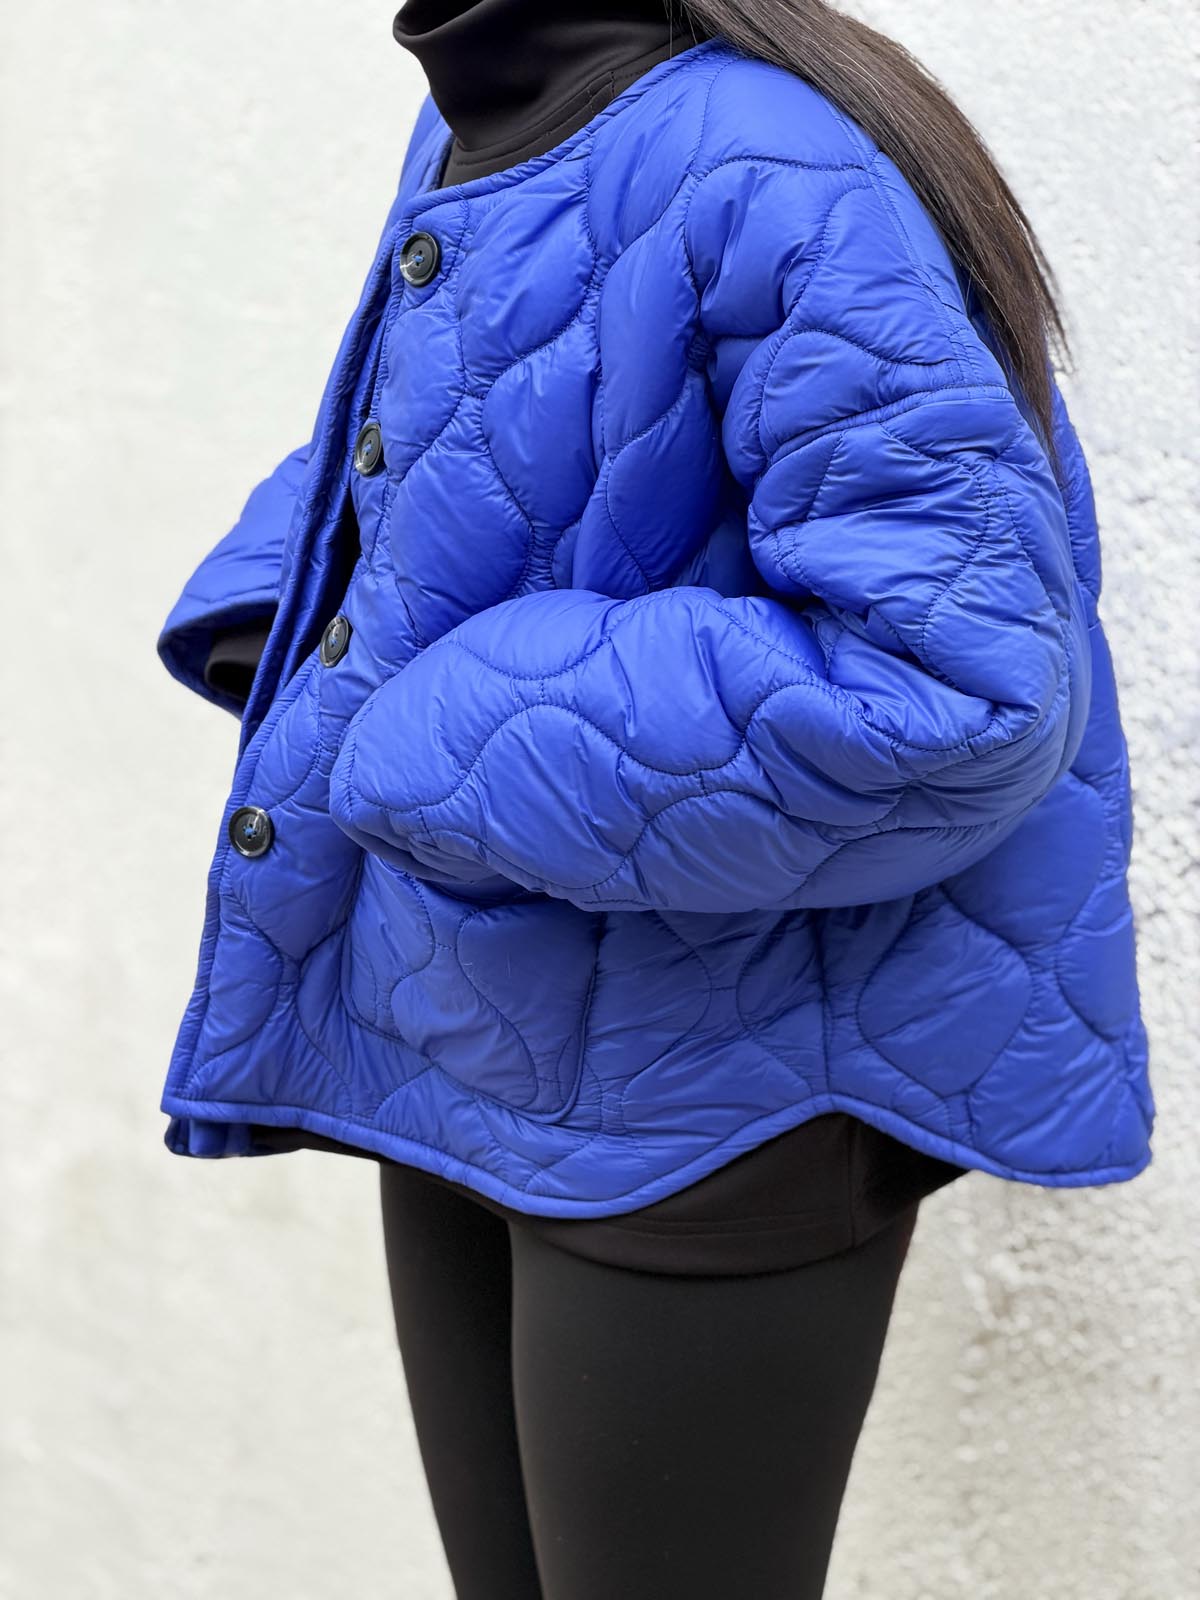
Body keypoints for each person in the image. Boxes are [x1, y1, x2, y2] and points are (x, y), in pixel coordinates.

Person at [154, 3, 1154, 1595]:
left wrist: (435, 731)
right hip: (470, 1018)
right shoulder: (495, 101)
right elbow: (485, 425)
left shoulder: (767, 160)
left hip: (713, 1102)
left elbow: (961, 686)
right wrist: (277, 608)